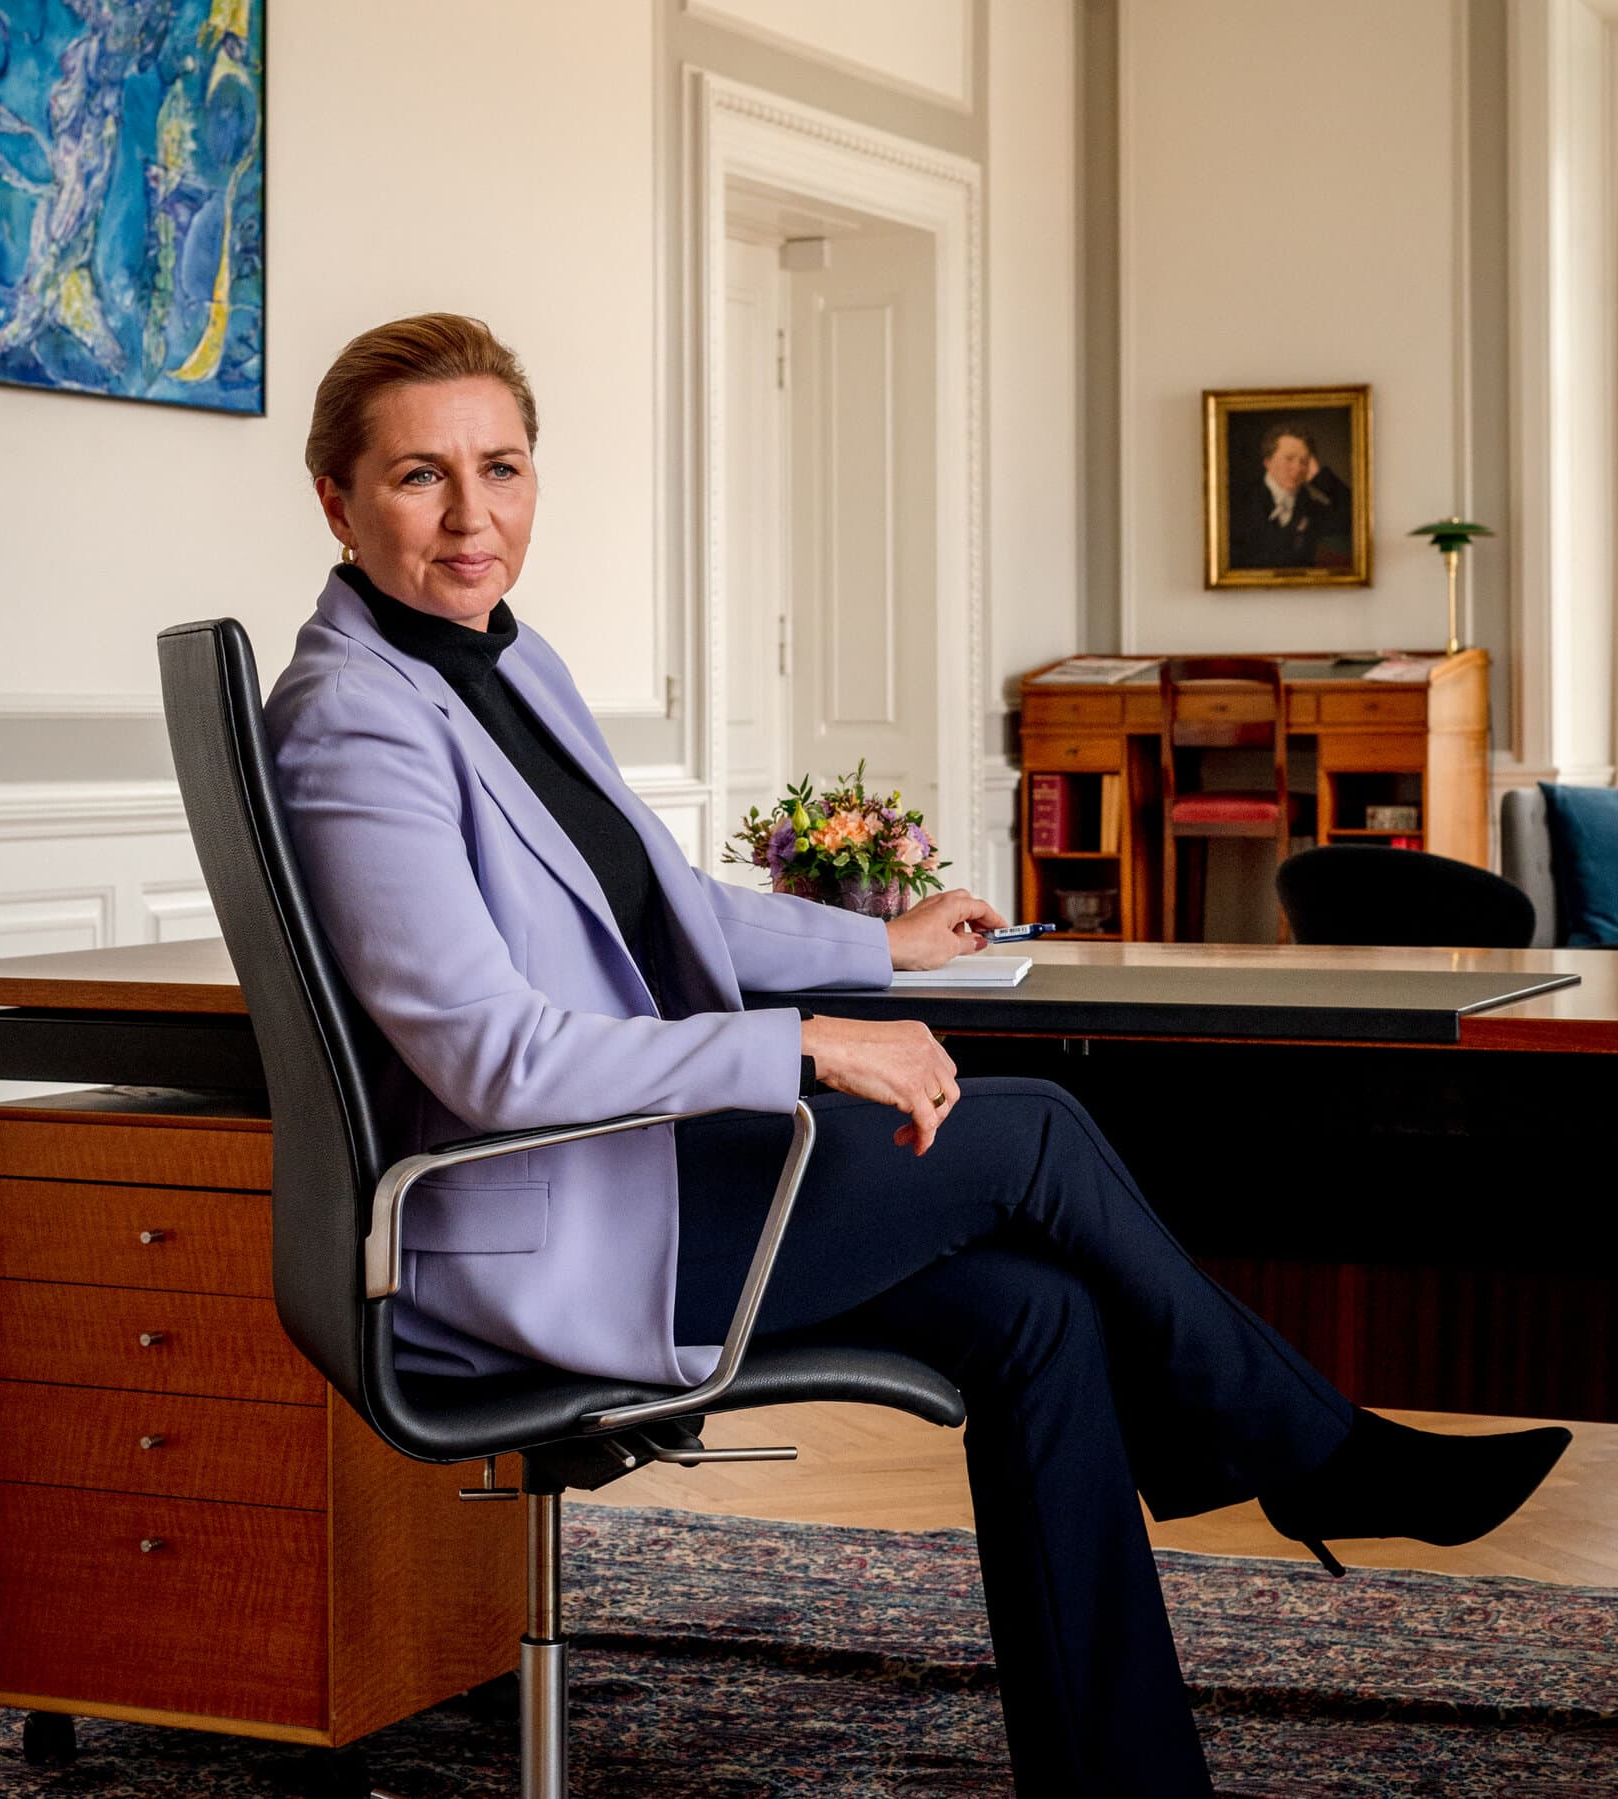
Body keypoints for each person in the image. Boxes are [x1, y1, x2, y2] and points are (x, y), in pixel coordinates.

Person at [265, 315, 1568, 1797]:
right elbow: (494, 1057)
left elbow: (664, 905)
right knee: (1034, 1129)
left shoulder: (500, 660)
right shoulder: (354, 722)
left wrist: (878, 945)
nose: (472, 514)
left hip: (639, 1187)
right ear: (338, 500)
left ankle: (1130, 1774)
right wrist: (803, 1042)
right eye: (420, 475)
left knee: (1037, 1311)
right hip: (555, 1242)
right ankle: (1318, 1455)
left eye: (499, 466)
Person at [1229, 422, 1354, 570]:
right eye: (1289, 458)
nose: (1298, 468)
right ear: (1268, 462)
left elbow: (1356, 515)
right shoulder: (1239, 503)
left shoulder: (1311, 508)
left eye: (1304, 461)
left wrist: (1320, 477)